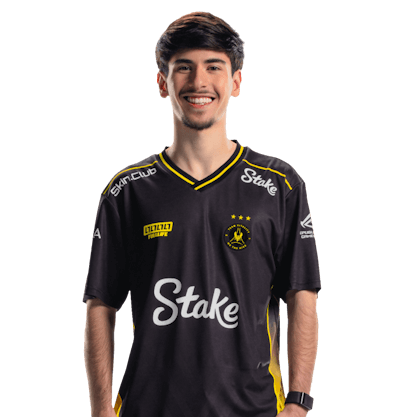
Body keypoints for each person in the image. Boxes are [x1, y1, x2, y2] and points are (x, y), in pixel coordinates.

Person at [83, 11, 321, 417]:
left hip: (255, 410)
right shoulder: (127, 190)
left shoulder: (280, 184)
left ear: (235, 82)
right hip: (148, 410)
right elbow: (100, 304)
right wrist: (101, 409)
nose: (198, 82)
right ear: (163, 83)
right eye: (184, 68)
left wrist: (298, 402)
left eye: (213, 67)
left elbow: (302, 295)